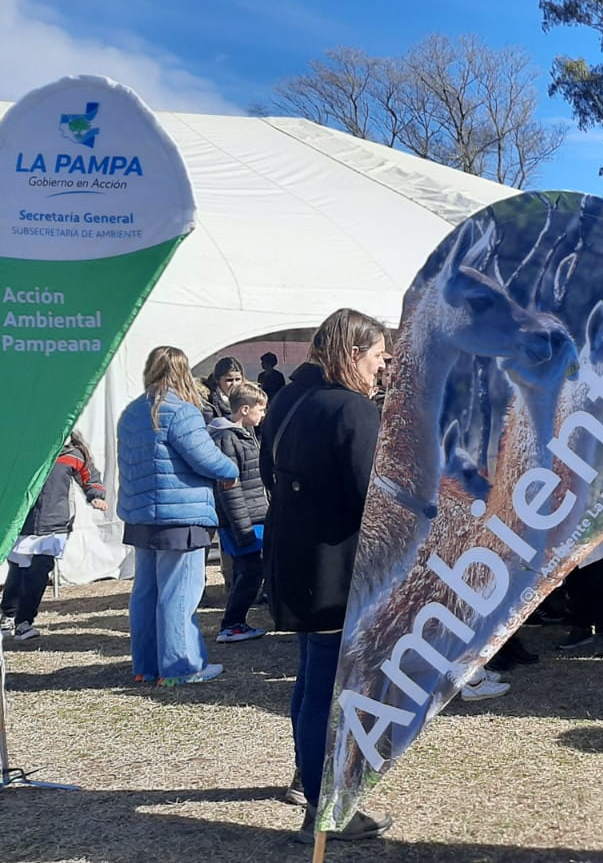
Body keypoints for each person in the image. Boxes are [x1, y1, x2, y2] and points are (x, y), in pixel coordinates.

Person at [260, 309, 406, 843]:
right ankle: (325, 808)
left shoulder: (287, 400)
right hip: (333, 566)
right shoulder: (351, 410)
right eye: (377, 357)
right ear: (352, 354)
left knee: (311, 674)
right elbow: (376, 500)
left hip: (295, 556)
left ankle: (311, 783)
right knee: (323, 683)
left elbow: (267, 475)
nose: (382, 368)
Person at [117, 347, 239, 685]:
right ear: (183, 372)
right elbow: (205, 458)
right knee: (179, 593)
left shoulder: (132, 412)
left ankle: (146, 666)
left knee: (146, 592)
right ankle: (181, 668)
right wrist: (230, 469)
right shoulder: (180, 411)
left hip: (142, 515)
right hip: (180, 516)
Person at [2, 432, 106, 641]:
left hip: (56, 524)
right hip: (23, 523)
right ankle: (8, 615)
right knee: (18, 572)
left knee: (39, 573)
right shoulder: (24, 450)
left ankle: (24, 622)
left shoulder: (72, 453)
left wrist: (96, 496)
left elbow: (90, 477)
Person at [208, 380, 271, 643]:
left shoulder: (246, 436)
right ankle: (232, 623)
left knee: (253, 571)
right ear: (245, 409)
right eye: (261, 409)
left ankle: (235, 622)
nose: (264, 414)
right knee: (249, 572)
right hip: (242, 521)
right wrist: (242, 529)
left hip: (255, 516)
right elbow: (230, 489)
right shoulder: (227, 439)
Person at [201, 356, 245, 421]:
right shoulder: (208, 402)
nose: (234, 384)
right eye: (229, 380)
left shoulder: (247, 397)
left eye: (238, 379)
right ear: (217, 380)